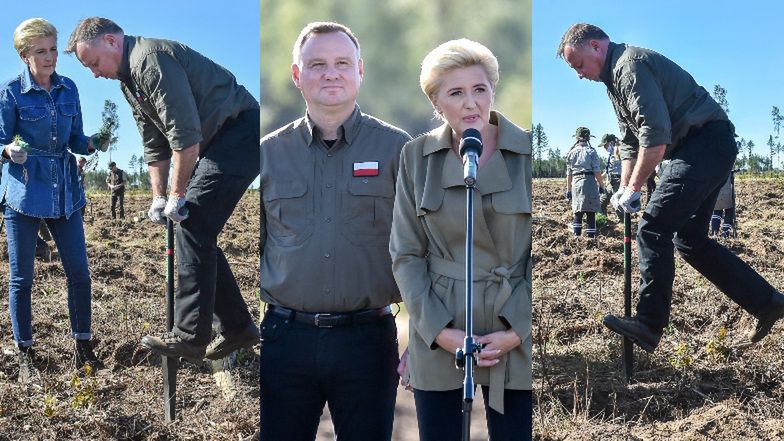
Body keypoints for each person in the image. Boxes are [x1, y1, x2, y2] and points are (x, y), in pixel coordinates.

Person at [558, 23, 784, 353]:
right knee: (690, 240)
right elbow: (630, 143)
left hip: (705, 143)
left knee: (652, 230)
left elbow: (655, 133)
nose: (579, 74)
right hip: (703, 148)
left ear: (595, 46)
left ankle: (649, 325)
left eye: (578, 64)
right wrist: (623, 188)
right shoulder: (614, 83)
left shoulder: (629, 66)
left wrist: (636, 186)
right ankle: (767, 303)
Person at [66, 17, 260, 363]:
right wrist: (158, 197)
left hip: (239, 133)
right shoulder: (128, 79)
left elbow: (184, 135)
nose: (94, 73)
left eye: (93, 63)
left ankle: (190, 335)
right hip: (216, 142)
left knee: (192, 221)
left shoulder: (149, 60)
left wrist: (177, 196)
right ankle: (238, 327)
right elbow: (154, 144)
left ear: (112, 41)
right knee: (196, 228)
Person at [259, 22, 410, 441]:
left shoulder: (398, 150)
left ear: (360, 70)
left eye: (342, 63)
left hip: (368, 341)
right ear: (296, 76)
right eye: (317, 64)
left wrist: (423, 333)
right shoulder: (267, 155)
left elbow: (424, 248)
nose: (331, 73)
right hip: (284, 339)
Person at [390, 38, 532, 441]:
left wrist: (517, 330)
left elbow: (538, 257)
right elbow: (405, 252)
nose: (471, 104)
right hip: (440, 328)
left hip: (516, 326)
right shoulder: (415, 157)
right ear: (436, 102)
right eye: (456, 93)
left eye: (480, 90)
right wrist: (435, 331)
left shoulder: (526, 153)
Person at [0, 18, 104, 381]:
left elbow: (74, 138)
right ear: (25, 55)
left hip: (66, 192)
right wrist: (8, 149)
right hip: (25, 191)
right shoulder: (11, 92)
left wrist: (90, 142)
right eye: (41, 51)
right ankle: (25, 353)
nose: (49, 58)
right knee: (21, 279)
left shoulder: (69, 88)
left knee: (80, 273)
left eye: (53, 50)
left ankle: (83, 347)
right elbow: (0, 141)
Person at [565, 126, 605, 237]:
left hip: (576, 183)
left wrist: (568, 190)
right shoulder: (591, 151)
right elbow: (597, 171)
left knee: (578, 212)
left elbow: (569, 174)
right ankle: (591, 240)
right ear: (588, 138)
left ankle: (576, 238)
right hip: (589, 182)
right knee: (591, 213)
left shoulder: (571, 153)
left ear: (577, 138)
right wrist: (602, 185)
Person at [599, 133, 623, 220]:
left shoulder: (620, 150)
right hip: (611, 180)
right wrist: (602, 176)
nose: (604, 148)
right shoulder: (611, 153)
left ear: (611, 142)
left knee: (617, 202)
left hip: (617, 179)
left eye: (605, 145)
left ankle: (624, 223)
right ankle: (604, 219)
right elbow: (610, 167)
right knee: (602, 201)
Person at [710, 172, 735, 237]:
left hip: (715, 190)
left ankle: (714, 232)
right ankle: (726, 233)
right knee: (729, 211)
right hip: (726, 190)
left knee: (717, 211)